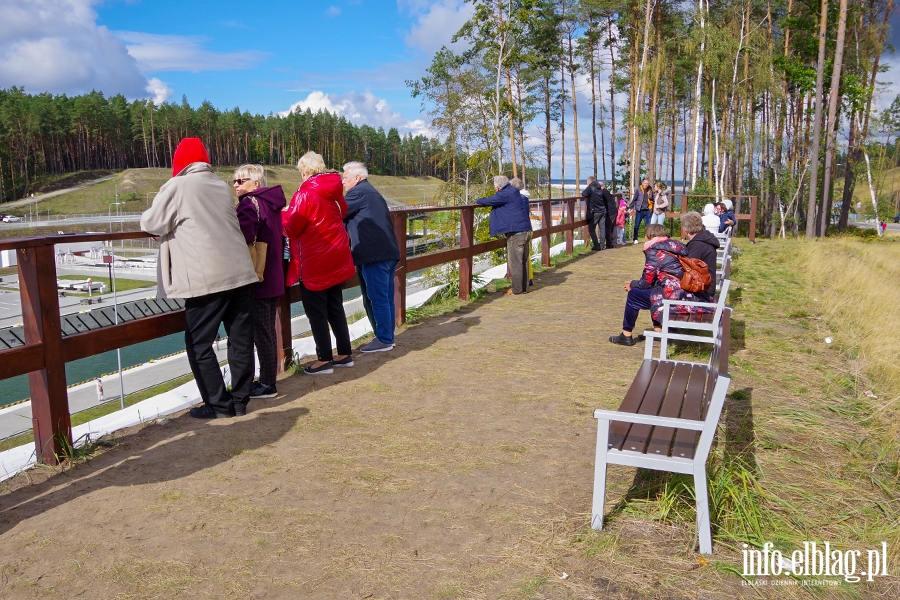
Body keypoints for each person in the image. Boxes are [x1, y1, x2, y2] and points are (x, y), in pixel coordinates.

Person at [141, 138, 258, 418]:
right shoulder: (219, 184)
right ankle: (240, 400)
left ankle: (219, 405)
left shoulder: (177, 186)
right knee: (240, 339)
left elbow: (152, 222)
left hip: (208, 277)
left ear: (179, 162)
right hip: (241, 271)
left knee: (198, 342)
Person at [283, 151, 356, 374]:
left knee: (316, 312)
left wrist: (283, 216)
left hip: (314, 261)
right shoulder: (334, 192)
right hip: (335, 257)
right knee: (335, 307)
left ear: (304, 171)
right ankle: (344, 354)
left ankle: (324, 359)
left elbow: (292, 227)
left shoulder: (304, 194)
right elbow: (343, 212)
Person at [234, 164, 287, 398]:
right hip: (273, 273)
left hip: (258, 276)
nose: (236, 185)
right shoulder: (271, 202)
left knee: (262, 332)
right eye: (234, 181)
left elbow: (243, 236)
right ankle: (268, 380)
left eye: (241, 181)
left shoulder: (249, 204)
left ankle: (267, 383)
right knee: (267, 330)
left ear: (255, 183)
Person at [609, 224, 705, 346]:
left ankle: (626, 334)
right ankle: (658, 330)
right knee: (655, 289)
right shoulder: (678, 246)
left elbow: (645, 282)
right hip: (684, 292)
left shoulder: (654, 251)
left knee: (634, 295)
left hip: (671, 297)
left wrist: (632, 284)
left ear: (650, 236)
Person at [341, 161, 400, 353]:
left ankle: (384, 339)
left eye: (345, 177)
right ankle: (388, 337)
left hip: (374, 254)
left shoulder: (357, 193)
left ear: (357, 178)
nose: (343, 182)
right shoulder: (371, 191)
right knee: (387, 297)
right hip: (388, 252)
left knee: (378, 298)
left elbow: (337, 212)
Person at [476, 175, 533, 294]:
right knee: (523, 261)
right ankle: (524, 288)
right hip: (525, 230)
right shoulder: (513, 191)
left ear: (497, 187)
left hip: (516, 233)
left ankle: (517, 289)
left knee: (515, 262)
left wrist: (479, 200)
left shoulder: (504, 194)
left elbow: (488, 201)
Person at [681, 211, 719, 302]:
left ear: (686, 231)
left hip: (702, 292)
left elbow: (688, 268)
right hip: (706, 286)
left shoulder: (697, 245)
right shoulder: (704, 239)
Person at [510, 178, 535, 285]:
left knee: (520, 259)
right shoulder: (524, 196)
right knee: (526, 257)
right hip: (528, 228)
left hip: (521, 230)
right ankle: (528, 279)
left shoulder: (519, 198)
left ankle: (522, 283)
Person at [581, 176, 608, 251]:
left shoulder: (590, 187)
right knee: (602, 228)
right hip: (603, 210)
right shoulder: (599, 187)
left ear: (589, 182)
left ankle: (596, 244)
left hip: (595, 211)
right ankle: (602, 245)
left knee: (591, 228)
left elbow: (584, 193)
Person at [628, 178, 655, 244]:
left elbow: (652, 199)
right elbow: (634, 199)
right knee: (637, 225)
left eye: (647, 183)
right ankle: (635, 239)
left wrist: (652, 201)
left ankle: (648, 238)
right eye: (645, 183)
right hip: (640, 210)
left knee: (648, 226)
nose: (646, 185)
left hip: (648, 210)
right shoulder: (638, 190)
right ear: (642, 183)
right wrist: (630, 207)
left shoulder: (650, 190)